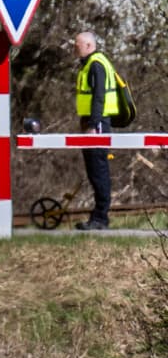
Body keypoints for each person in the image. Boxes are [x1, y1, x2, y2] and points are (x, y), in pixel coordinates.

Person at [74, 30, 119, 230]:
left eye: (77, 45)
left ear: (89, 45)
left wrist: (93, 125)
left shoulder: (96, 65)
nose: (75, 48)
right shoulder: (90, 64)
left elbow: (99, 97)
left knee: (98, 168)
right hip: (91, 121)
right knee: (93, 169)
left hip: (97, 123)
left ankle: (100, 217)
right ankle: (99, 216)